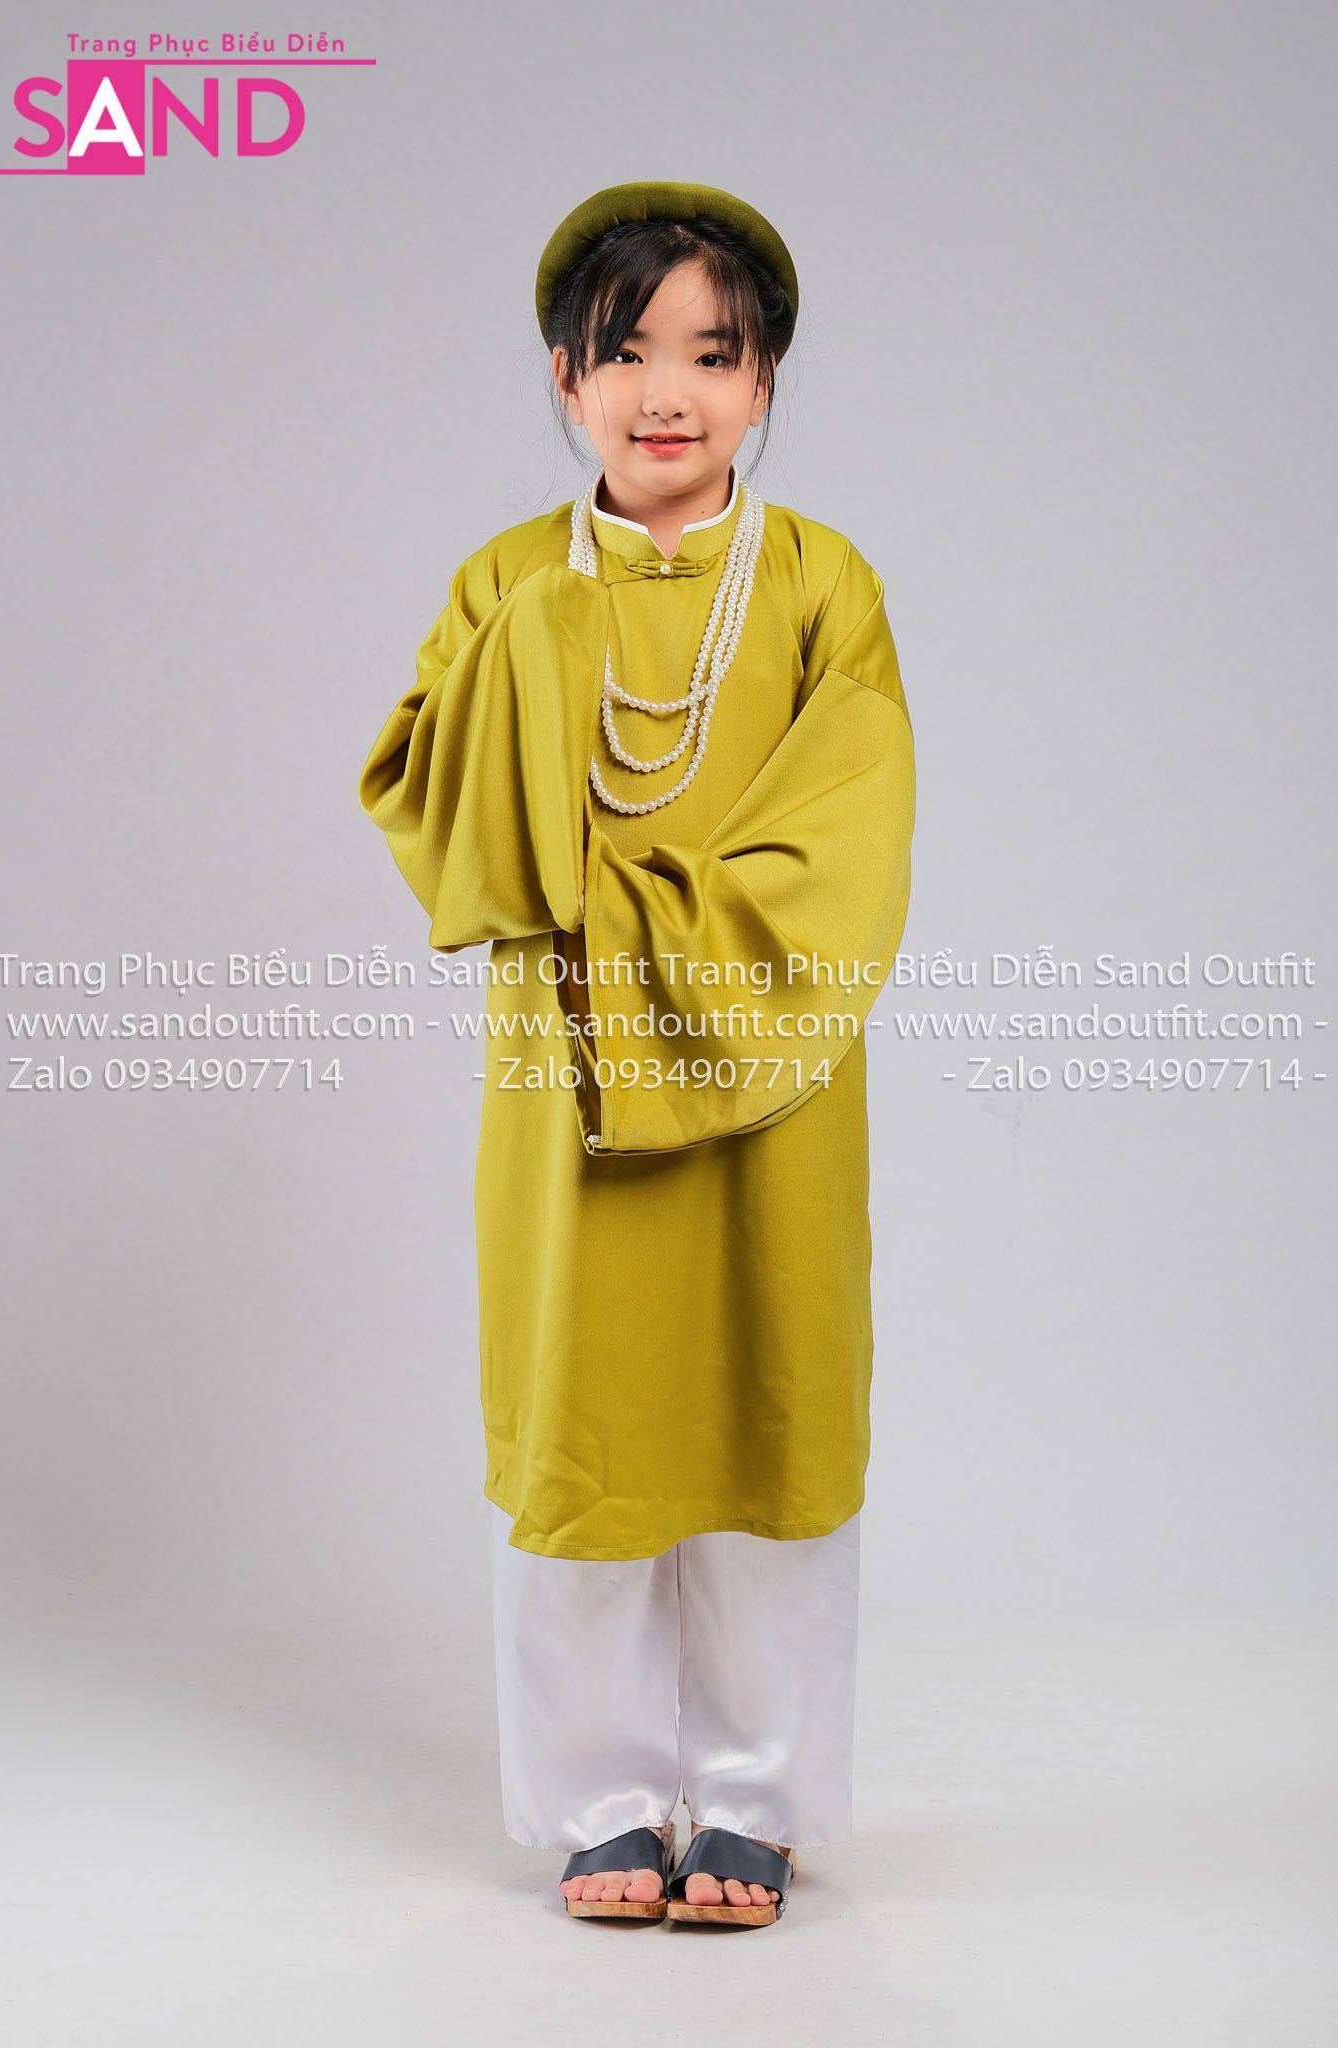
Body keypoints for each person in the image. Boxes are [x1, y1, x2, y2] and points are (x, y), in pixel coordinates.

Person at [358, 180, 917, 1927]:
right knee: (583, 1418)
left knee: (768, 1409)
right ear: (563, 376)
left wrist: (639, 925)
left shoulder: (821, 584)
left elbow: (847, 838)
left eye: (712, 354)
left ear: (763, 383)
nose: (665, 392)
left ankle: (755, 1801)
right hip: (570, 1080)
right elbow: (432, 803)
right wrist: (541, 636)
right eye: (625, 352)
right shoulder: (509, 582)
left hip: (771, 1065)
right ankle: (598, 1804)